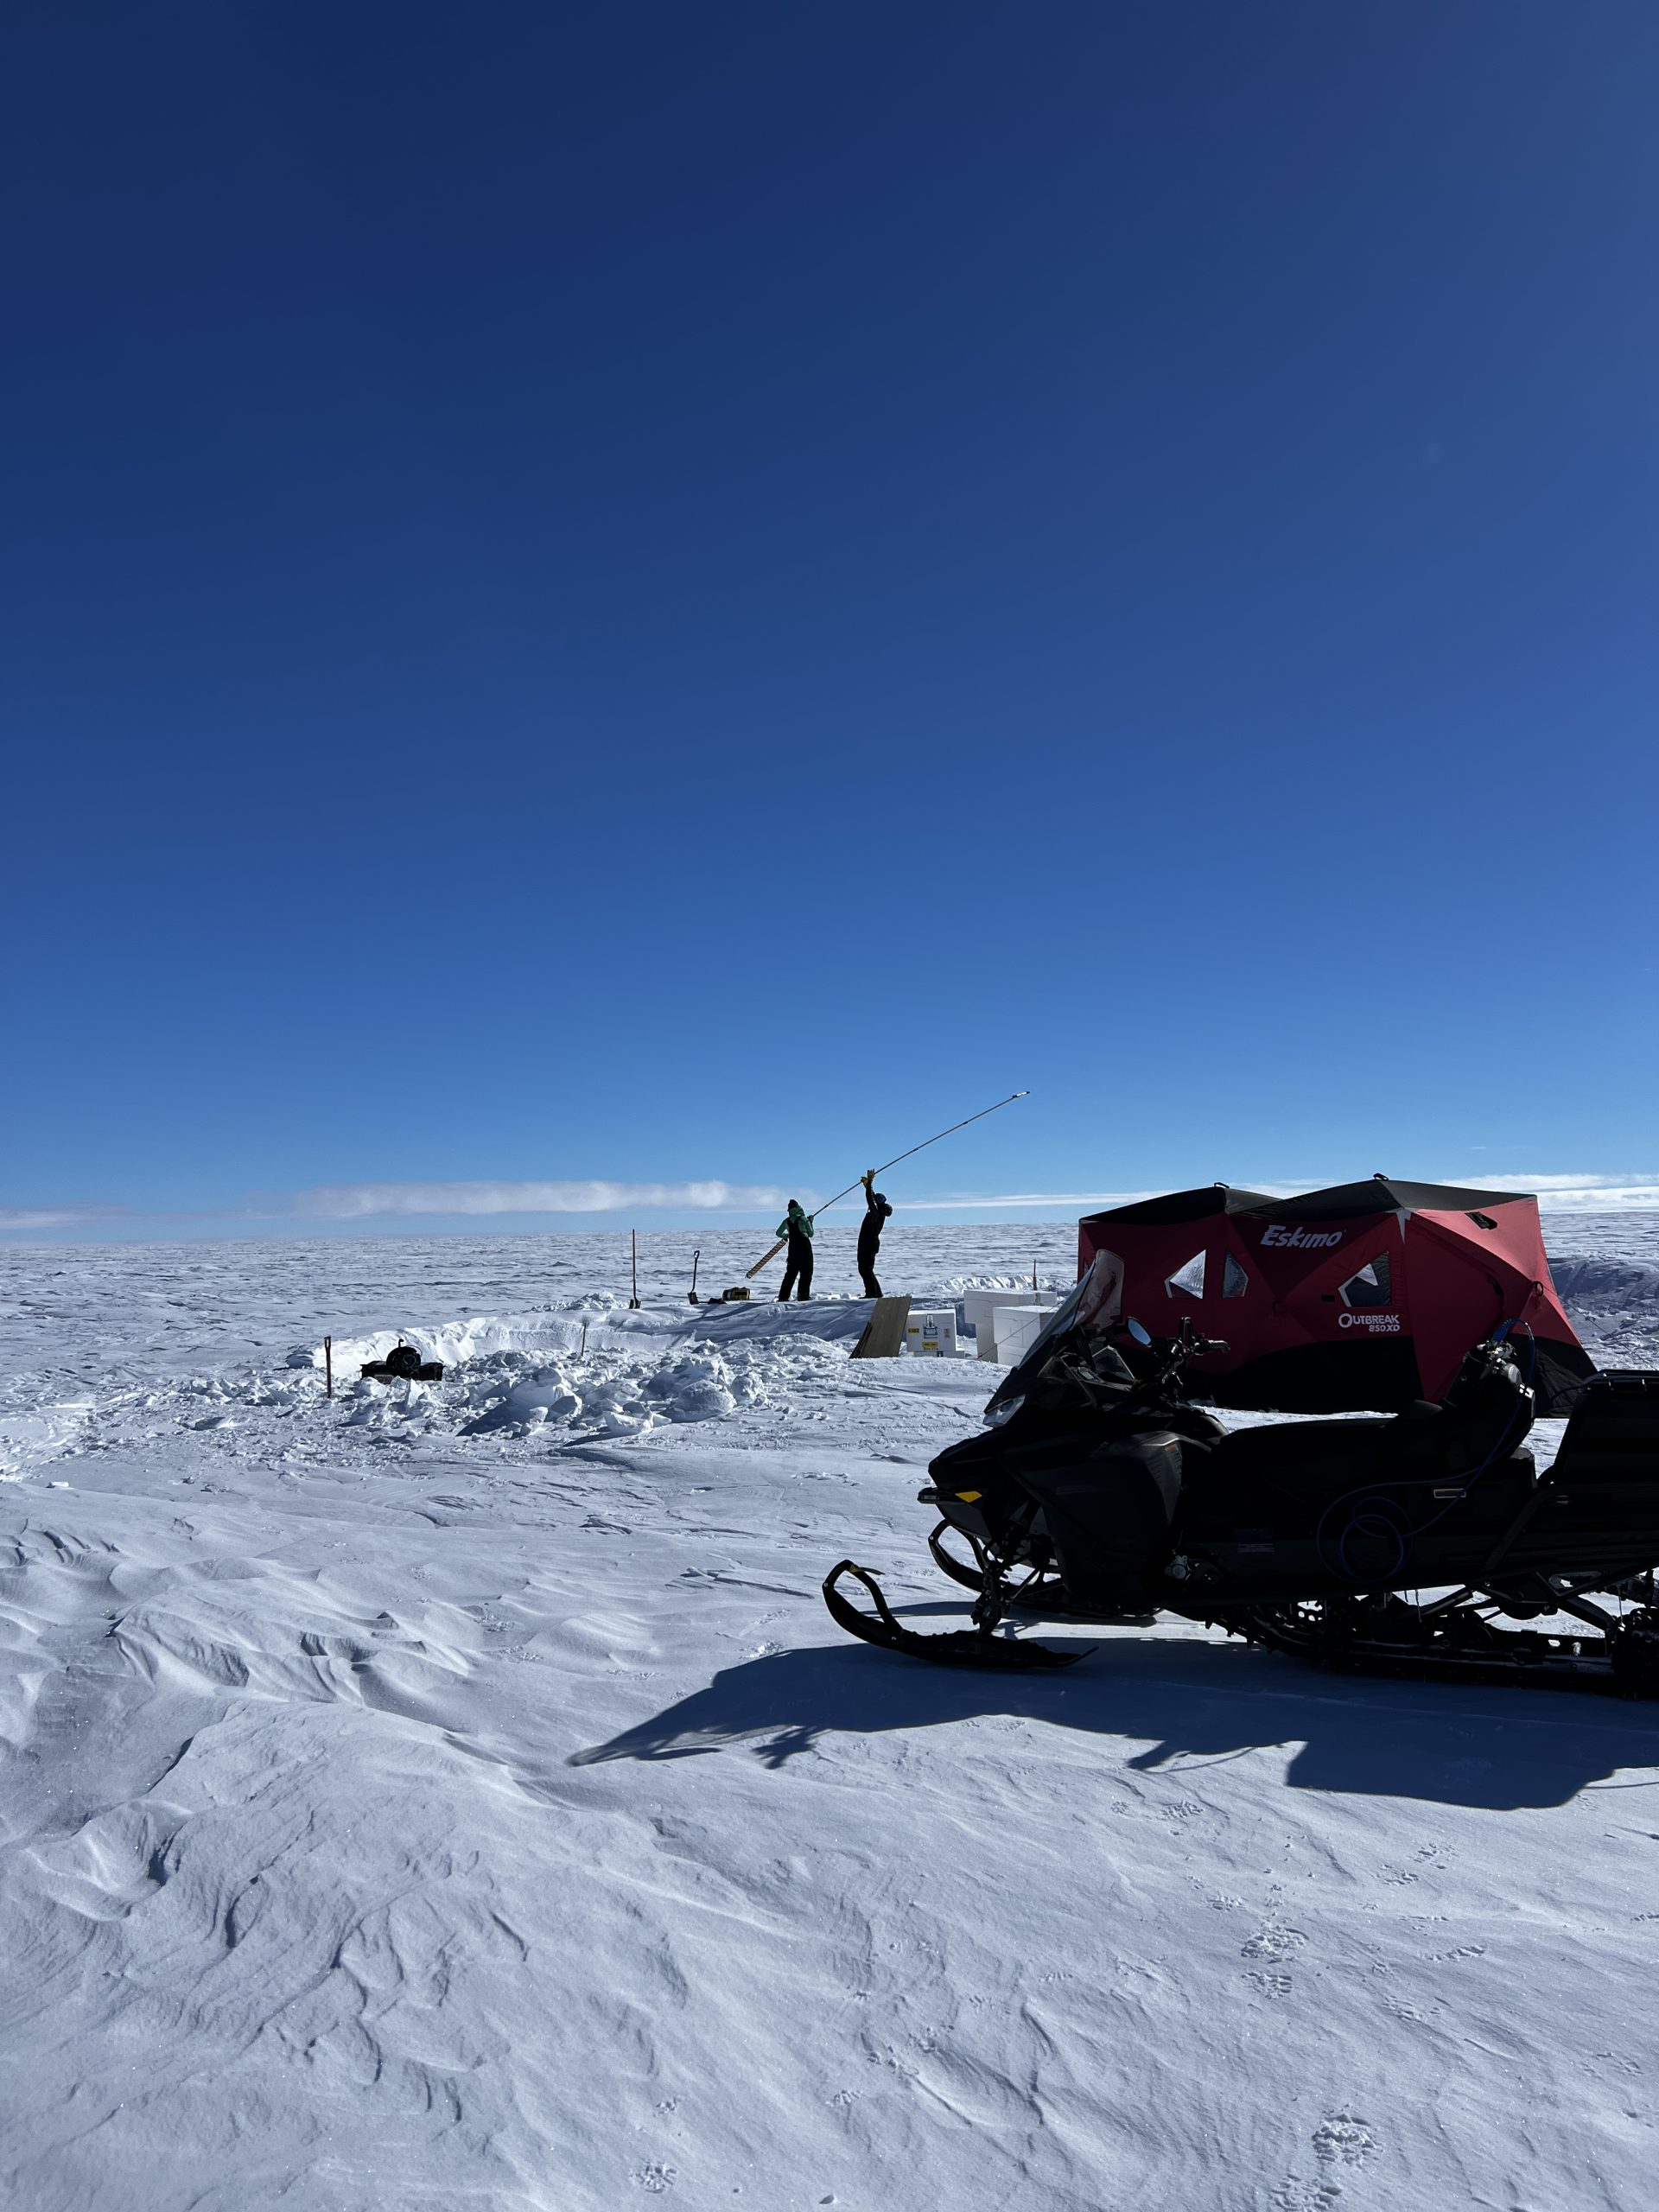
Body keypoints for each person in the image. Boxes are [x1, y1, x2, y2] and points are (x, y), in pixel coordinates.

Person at [857, 1172, 893, 1298]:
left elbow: (871, 1200)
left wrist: (870, 1183)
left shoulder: (875, 1212)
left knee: (865, 1270)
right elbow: (873, 1200)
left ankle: (872, 1293)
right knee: (867, 1270)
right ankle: (876, 1293)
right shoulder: (879, 1211)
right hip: (870, 1243)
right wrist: (868, 1186)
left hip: (867, 1244)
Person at [776, 1199, 815, 1301]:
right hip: (805, 1248)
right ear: (798, 1208)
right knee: (806, 1272)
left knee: (790, 1274)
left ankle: (783, 1296)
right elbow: (811, 1234)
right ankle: (803, 1296)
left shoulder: (787, 1221)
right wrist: (810, 1222)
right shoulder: (803, 1219)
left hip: (793, 1249)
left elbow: (778, 1233)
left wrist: (787, 1235)